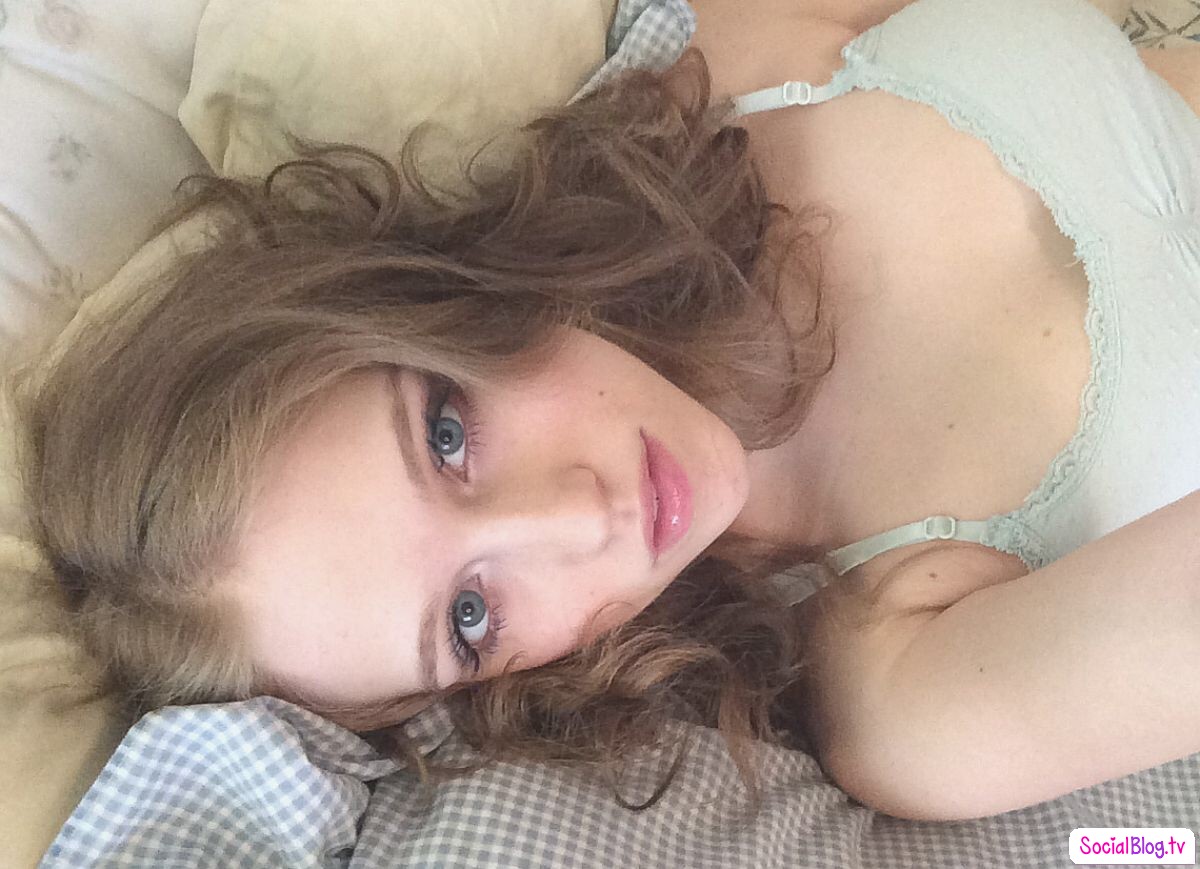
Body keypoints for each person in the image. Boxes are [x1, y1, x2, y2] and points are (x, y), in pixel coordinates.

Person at [8, 0, 1200, 822]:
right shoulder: (907, 693)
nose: (580, 518)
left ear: (423, 298)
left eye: (446, 434)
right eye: (471, 616)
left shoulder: (714, 64)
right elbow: (1138, 835)